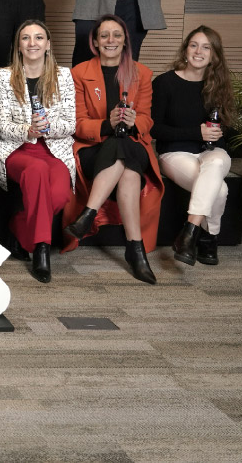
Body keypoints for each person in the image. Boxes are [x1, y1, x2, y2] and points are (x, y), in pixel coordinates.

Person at [64, 14, 163, 284]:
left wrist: (134, 122)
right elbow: (77, 123)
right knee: (127, 167)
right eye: (104, 35)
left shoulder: (142, 73)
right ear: (95, 41)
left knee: (124, 146)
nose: (111, 40)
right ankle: (135, 249)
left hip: (133, 144)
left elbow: (147, 119)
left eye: (117, 35)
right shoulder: (79, 73)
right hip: (94, 146)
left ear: (125, 41)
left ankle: (88, 214)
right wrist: (107, 124)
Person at [153, 26, 242, 266]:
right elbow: (154, 128)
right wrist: (196, 132)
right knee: (219, 190)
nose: (198, 52)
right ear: (185, 50)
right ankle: (208, 238)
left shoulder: (217, 85)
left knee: (218, 159)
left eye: (206, 47)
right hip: (175, 152)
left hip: (212, 152)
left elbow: (226, 128)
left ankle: (189, 232)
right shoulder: (164, 83)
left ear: (214, 55)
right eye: (194, 45)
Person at [0, 20, 76, 283]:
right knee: (36, 170)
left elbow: (71, 123)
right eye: (26, 38)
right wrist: (28, 130)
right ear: (18, 46)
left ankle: (18, 228)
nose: (32, 43)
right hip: (18, 149)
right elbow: (1, 125)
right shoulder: (4, 76)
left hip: (54, 150)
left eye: (39, 37)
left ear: (48, 44)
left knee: (60, 195)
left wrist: (47, 128)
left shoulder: (63, 76)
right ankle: (41, 249)